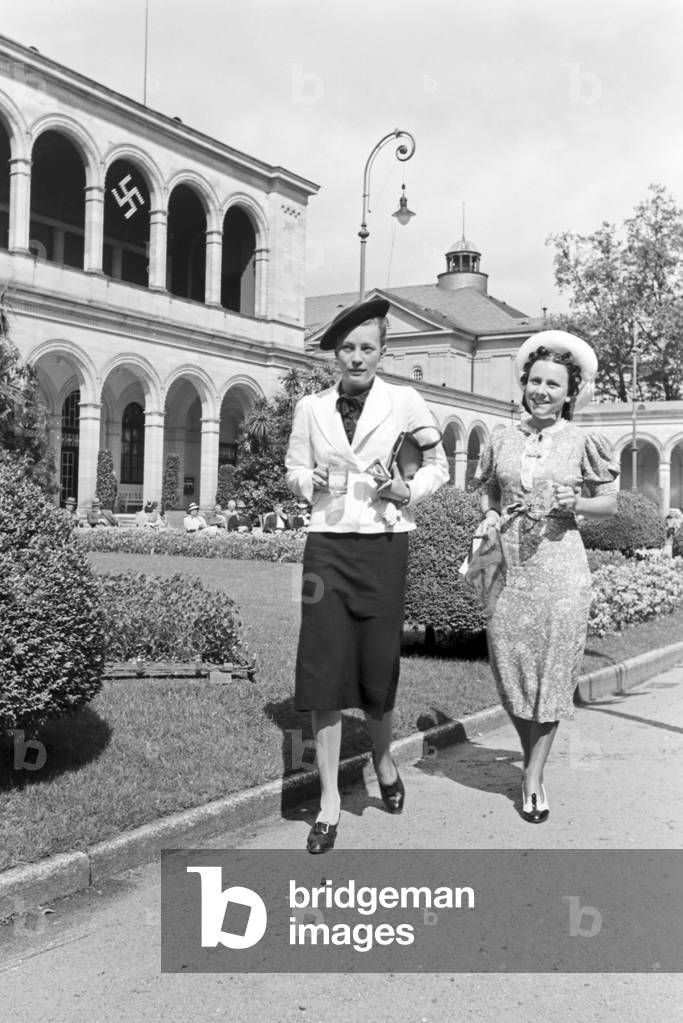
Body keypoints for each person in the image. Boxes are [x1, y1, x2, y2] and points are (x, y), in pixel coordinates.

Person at [286, 296, 448, 853]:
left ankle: (383, 760)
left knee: (377, 666)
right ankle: (330, 799)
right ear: (335, 354)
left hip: (384, 545)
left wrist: (410, 490)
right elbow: (294, 469)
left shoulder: (404, 401)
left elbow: (437, 464)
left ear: (383, 352)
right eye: (347, 349)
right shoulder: (311, 408)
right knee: (324, 666)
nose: (356, 358)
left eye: (367, 348)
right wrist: (314, 485)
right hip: (327, 544)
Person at [474, 330, 619, 823]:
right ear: (524, 383)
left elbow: (610, 503)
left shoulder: (582, 441)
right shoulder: (500, 438)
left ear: (569, 392)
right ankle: (528, 751)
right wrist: (490, 515)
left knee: (553, 675)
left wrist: (576, 502)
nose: (541, 391)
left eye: (552, 385)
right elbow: (489, 490)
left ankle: (533, 777)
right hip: (508, 566)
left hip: (561, 567)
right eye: (535, 381)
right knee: (509, 666)